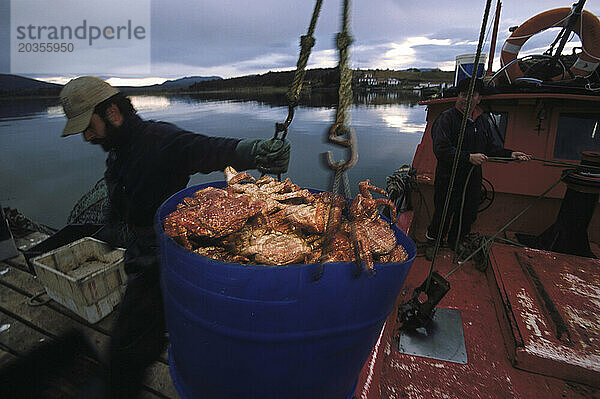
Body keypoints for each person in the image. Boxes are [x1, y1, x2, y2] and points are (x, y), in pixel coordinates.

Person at [59, 76, 291, 398]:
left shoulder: (160, 140)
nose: (86, 136)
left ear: (112, 112)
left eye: (88, 125)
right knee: (161, 331)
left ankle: (120, 389)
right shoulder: (118, 150)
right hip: (140, 253)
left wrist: (254, 151)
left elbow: (206, 150)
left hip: (165, 257)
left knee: (130, 341)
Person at [425, 78, 531, 251]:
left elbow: (490, 147)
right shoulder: (446, 119)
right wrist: (468, 157)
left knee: (468, 211)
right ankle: (433, 242)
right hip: (448, 176)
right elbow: (441, 150)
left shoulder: (481, 121)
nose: (466, 99)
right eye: (463, 95)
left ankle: (456, 241)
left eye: (471, 95)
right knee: (444, 211)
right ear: (458, 96)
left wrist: (511, 154)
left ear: (479, 98)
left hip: (473, 176)